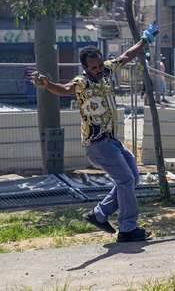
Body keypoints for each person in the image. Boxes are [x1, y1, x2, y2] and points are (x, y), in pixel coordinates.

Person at [31, 23, 159, 243]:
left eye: (99, 65)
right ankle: (128, 229)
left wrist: (145, 40)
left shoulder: (107, 70)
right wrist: (47, 84)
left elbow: (127, 55)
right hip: (97, 144)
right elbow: (64, 89)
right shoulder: (82, 82)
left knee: (133, 178)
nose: (99, 70)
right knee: (126, 180)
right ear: (84, 68)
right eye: (93, 68)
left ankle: (99, 215)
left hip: (112, 141)